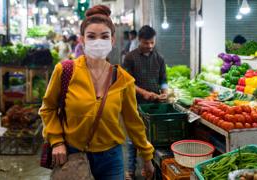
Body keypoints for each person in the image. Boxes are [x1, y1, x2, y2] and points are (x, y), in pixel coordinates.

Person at [39, 5, 155, 180]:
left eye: (104, 36)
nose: (98, 41)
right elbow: (48, 109)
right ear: (82, 40)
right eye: (91, 36)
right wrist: (56, 141)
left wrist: (147, 157)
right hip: (73, 153)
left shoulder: (124, 80)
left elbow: (133, 122)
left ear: (112, 40)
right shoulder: (65, 71)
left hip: (111, 158)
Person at [123, 25, 168, 179]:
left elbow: (163, 80)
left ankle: (148, 169)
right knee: (132, 140)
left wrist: (164, 92)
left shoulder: (159, 58)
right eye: (145, 43)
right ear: (139, 40)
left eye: (151, 43)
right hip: (134, 104)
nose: (149, 46)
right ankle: (130, 170)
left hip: (154, 106)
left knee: (151, 138)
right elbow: (127, 83)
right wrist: (145, 93)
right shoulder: (130, 57)